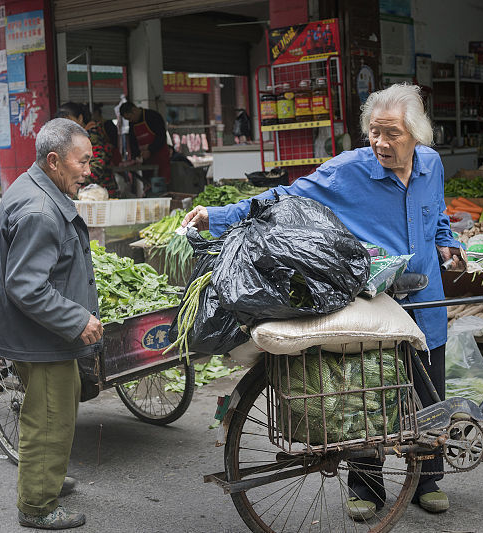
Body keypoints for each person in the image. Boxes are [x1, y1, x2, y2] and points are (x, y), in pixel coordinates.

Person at [182, 83, 464, 517]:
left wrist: (448, 244)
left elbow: (438, 213)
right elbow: (285, 194)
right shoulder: (349, 170)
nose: (380, 143)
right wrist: (218, 216)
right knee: (367, 395)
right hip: (376, 303)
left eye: (392, 134)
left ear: (417, 135)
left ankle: (428, 479)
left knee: (429, 395)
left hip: (426, 299)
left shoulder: (432, 165)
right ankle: (366, 488)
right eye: (374, 132)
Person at [0, 118, 103, 530]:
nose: (88, 171)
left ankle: (45, 477)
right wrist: (77, 318)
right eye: (82, 162)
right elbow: (27, 286)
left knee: (51, 411)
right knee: (49, 419)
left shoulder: (34, 185)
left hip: (38, 333)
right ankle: (37, 505)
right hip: (41, 338)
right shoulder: (40, 210)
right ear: (53, 161)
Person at [56, 102, 119, 197]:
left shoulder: (92, 135)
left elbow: (98, 164)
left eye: (69, 121)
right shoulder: (76, 138)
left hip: (100, 192)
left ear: (80, 118)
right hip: (87, 192)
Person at [118, 101, 171, 184]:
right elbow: (133, 143)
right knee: (148, 184)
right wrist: (136, 157)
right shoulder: (132, 124)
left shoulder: (153, 116)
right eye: (128, 119)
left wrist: (150, 150)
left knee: (161, 185)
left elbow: (161, 137)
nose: (130, 121)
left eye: (130, 118)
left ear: (134, 110)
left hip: (160, 157)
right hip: (146, 161)